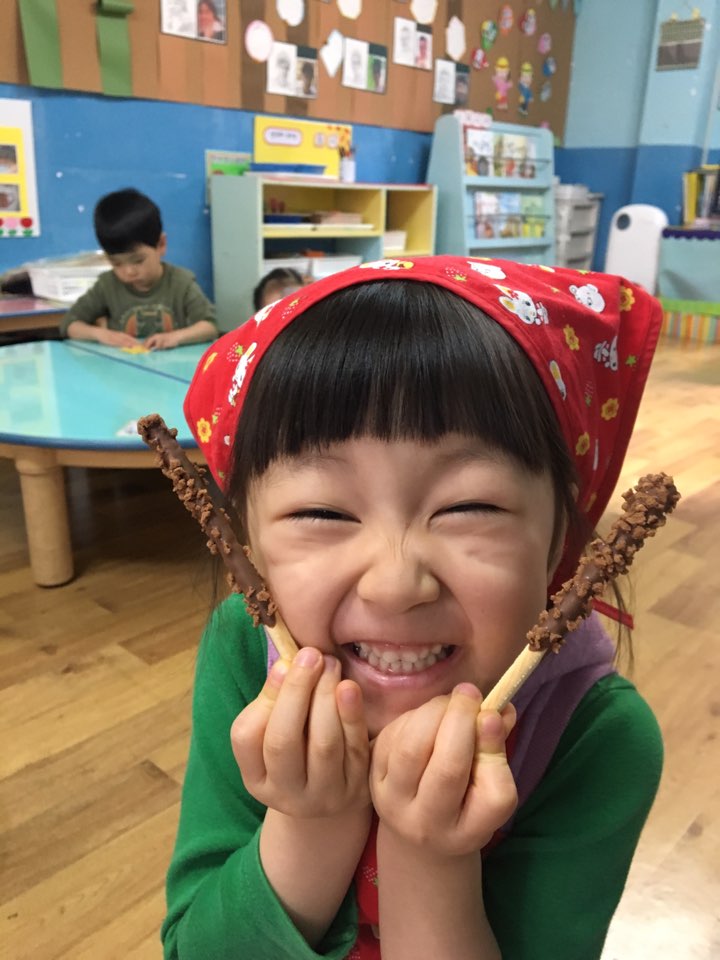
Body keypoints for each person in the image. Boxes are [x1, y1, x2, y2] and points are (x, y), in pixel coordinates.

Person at [162, 255, 665, 959]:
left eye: (470, 506)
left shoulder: (594, 736)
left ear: (562, 540)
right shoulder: (246, 651)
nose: (396, 585)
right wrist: (312, 822)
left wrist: (428, 855)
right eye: (321, 511)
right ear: (249, 543)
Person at [60, 188, 217, 350]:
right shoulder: (107, 285)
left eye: (138, 261)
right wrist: (101, 335)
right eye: (117, 263)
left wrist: (176, 337)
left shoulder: (181, 283)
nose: (129, 272)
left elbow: (211, 326)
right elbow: (70, 324)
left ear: (161, 244)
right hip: (122, 363)